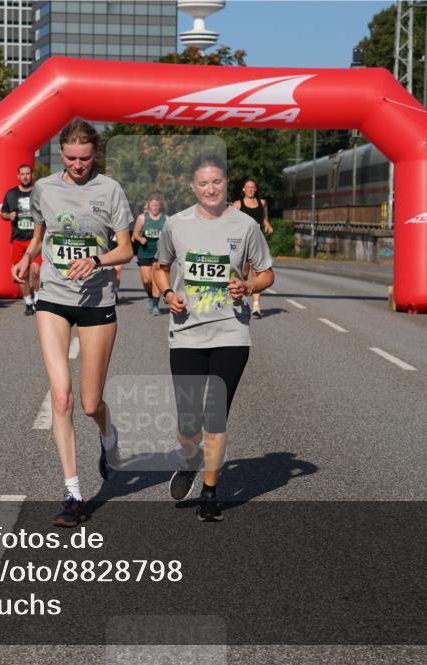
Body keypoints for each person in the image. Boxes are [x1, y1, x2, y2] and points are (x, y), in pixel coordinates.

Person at [11, 119, 134, 527]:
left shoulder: (110, 190)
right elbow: (40, 232)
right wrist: (28, 256)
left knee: (88, 403)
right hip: (53, 298)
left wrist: (96, 260)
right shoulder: (45, 188)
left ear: (94, 154)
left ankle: (108, 432)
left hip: (98, 300)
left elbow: (126, 249)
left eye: (84, 158)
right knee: (60, 396)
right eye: (70, 158)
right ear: (59, 154)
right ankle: (73, 494)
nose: (78, 165)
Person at [155, 154, 274, 522]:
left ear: (227, 183)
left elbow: (267, 273)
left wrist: (249, 283)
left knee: (215, 415)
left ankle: (210, 492)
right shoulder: (175, 224)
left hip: (231, 333)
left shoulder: (245, 225)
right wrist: (167, 294)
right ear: (193, 187)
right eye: (204, 183)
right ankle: (190, 460)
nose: (211, 189)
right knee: (189, 421)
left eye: (218, 182)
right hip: (187, 333)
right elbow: (161, 269)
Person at [2, 164, 41, 315]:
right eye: (22, 174)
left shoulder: (39, 193)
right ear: (18, 176)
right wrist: (8, 216)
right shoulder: (11, 194)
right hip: (18, 240)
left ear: (32, 175)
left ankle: (37, 299)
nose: (25, 176)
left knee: (36, 271)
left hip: (35, 240)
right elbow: (2, 214)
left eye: (28, 174)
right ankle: (28, 303)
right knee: (21, 274)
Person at [232, 179, 274, 316]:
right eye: (248, 187)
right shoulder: (238, 205)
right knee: (243, 273)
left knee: (258, 273)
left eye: (253, 187)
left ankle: (256, 306)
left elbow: (264, 219)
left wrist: (267, 225)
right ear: (243, 189)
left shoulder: (262, 203)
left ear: (255, 189)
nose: (250, 189)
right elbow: (231, 223)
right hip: (242, 243)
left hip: (256, 242)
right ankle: (240, 298)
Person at [131, 194, 166, 315]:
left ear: (160, 206)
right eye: (152, 205)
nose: (155, 207)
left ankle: (156, 305)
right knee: (147, 280)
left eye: (157, 205)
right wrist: (141, 239)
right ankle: (150, 297)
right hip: (144, 251)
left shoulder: (166, 219)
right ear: (149, 206)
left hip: (159, 253)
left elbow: (171, 235)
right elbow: (135, 234)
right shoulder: (142, 218)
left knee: (156, 280)